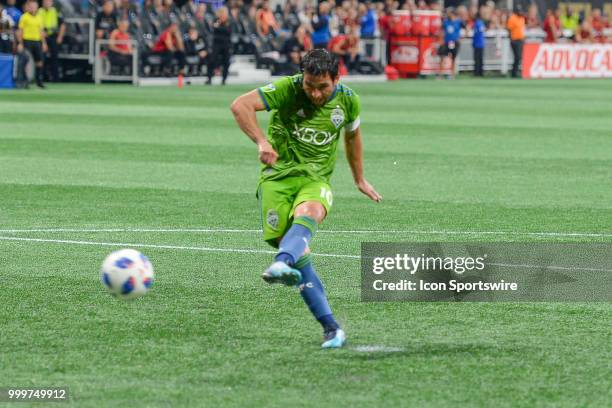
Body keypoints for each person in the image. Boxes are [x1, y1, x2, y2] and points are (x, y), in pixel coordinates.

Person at [229, 49, 381, 349]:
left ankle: (280, 263)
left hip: (315, 179)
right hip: (277, 178)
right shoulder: (288, 88)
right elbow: (240, 105)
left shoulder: (349, 100)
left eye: (322, 87)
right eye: (309, 86)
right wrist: (262, 141)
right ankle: (332, 328)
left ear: (337, 78)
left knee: (311, 212)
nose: (314, 93)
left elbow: (353, 138)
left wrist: (359, 179)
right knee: (300, 253)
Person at [17, 0, 47, 88]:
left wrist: (44, 43)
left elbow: (41, 31)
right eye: (32, 6)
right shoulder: (24, 17)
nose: (33, 8)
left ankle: (39, 81)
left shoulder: (39, 17)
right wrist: (20, 43)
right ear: (28, 7)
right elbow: (20, 31)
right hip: (27, 41)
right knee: (26, 62)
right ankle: (24, 81)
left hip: (37, 41)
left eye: (35, 6)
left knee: (40, 62)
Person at [37, 0, 65, 82]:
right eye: (45, 2)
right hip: (42, 37)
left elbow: (62, 25)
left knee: (55, 58)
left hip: (53, 36)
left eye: (49, 2)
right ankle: (42, 77)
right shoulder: (39, 11)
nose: (47, 3)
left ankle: (55, 78)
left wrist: (60, 37)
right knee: (42, 57)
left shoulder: (55, 11)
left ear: (52, 3)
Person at [206, 6, 231, 85]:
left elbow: (228, 31)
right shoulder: (216, 20)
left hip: (226, 44)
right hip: (216, 44)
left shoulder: (229, 21)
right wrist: (219, 28)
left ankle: (224, 79)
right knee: (212, 60)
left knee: (226, 62)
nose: (222, 15)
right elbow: (213, 29)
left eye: (224, 13)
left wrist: (218, 28)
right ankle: (209, 78)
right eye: (221, 13)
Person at [438, 8, 462, 79]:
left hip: (455, 42)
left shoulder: (458, 22)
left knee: (453, 58)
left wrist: (461, 38)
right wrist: (441, 40)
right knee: (442, 57)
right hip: (446, 42)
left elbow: (466, 28)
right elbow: (441, 31)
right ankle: (440, 74)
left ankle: (452, 75)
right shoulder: (446, 22)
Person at [507, 5, 525, 78]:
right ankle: (514, 73)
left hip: (520, 40)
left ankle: (516, 72)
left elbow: (522, 29)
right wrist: (511, 39)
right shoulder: (512, 18)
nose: (520, 12)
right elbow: (509, 29)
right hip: (514, 40)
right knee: (517, 57)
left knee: (519, 57)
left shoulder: (522, 18)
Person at [472, 7, 485, 77]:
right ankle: (480, 72)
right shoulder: (480, 23)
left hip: (477, 43)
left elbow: (479, 31)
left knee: (477, 59)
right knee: (480, 59)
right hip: (480, 43)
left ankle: (477, 73)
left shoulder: (477, 23)